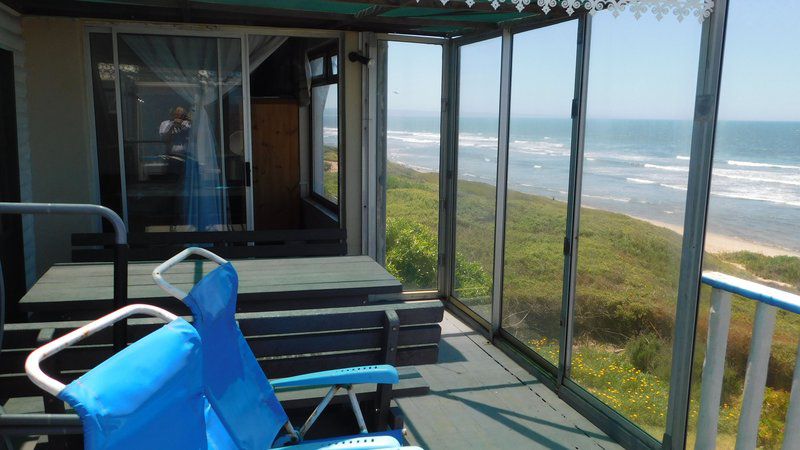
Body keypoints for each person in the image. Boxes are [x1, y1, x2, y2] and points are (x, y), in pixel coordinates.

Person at [159, 106, 191, 179]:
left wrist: (182, 123)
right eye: (176, 114)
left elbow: (191, 133)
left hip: (185, 155)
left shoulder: (186, 123)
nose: (178, 116)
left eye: (181, 114)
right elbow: (164, 138)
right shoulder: (165, 124)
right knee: (172, 178)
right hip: (171, 155)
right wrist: (172, 125)